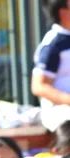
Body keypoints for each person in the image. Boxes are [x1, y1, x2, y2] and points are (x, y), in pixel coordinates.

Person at [32, 1, 70, 132]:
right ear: (63, 12)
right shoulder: (53, 44)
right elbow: (39, 86)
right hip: (59, 112)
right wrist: (67, 99)